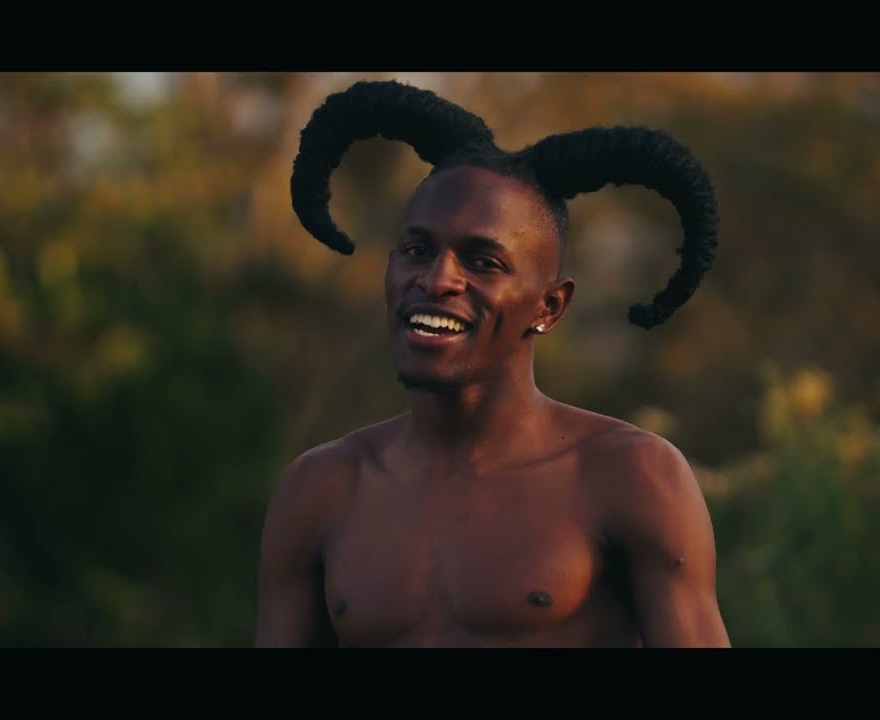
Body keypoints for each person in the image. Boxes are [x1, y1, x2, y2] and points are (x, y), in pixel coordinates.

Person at [255, 79, 730, 647]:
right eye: (417, 251)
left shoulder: (630, 475)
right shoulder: (322, 488)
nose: (437, 279)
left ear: (549, 307)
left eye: (483, 262)